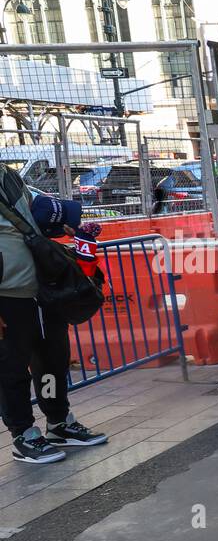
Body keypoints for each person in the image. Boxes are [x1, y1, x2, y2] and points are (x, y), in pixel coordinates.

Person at [0, 166, 109, 464]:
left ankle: (58, 423)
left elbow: (35, 216)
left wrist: (63, 225)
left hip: (41, 290)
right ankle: (23, 434)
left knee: (52, 360)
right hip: (7, 297)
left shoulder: (8, 176)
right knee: (11, 370)